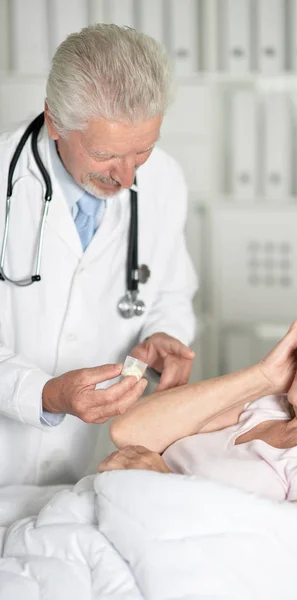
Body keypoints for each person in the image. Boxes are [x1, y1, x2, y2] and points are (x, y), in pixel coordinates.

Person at [0, 24, 197, 486]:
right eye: (106, 154)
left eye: (143, 150)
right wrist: (44, 394)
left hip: (93, 466)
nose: (127, 177)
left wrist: (166, 333)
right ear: (54, 121)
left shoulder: (165, 180)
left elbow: (171, 288)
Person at [100, 283, 297, 505]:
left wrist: (165, 485)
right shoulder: (268, 406)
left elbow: (291, 555)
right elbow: (127, 430)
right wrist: (263, 376)